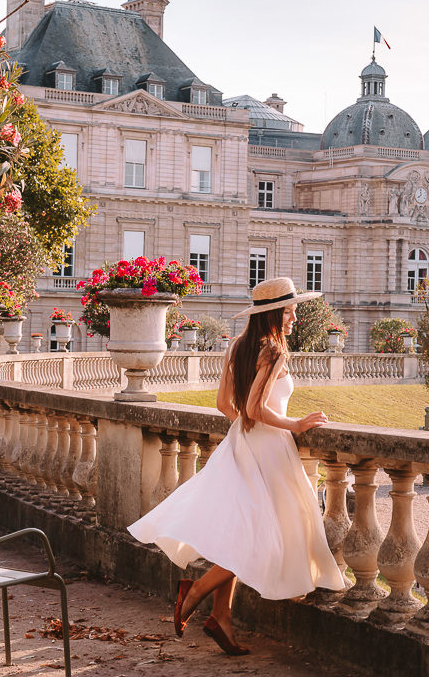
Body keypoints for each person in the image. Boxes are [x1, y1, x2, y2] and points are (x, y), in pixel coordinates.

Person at [128, 277, 345, 656]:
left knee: (239, 532)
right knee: (265, 537)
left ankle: (221, 618)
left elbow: (224, 404)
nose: (295, 317)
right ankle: (194, 590)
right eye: (291, 310)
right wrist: (292, 425)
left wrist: (244, 430)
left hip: (241, 444)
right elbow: (255, 409)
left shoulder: (238, 346)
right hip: (269, 451)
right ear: (276, 313)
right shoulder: (275, 351)